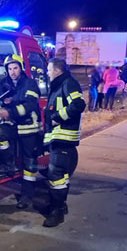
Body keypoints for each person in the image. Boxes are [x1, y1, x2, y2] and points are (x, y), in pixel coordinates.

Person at [43, 57, 86, 227]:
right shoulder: (60, 84)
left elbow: (78, 104)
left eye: (49, 69)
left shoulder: (68, 83)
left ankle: (57, 212)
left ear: (57, 71)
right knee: (60, 176)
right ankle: (58, 206)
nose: (47, 72)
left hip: (64, 138)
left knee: (57, 176)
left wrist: (57, 118)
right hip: (59, 138)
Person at [0, 54, 41, 209]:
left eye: (15, 68)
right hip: (13, 125)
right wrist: (1, 107)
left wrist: (10, 111)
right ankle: (9, 164)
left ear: (21, 68)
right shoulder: (4, 84)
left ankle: (27, 195)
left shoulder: (30, 83)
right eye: (9, 68)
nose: (12, 71)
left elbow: (29, 105)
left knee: (29, 162)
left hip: (29, 127)